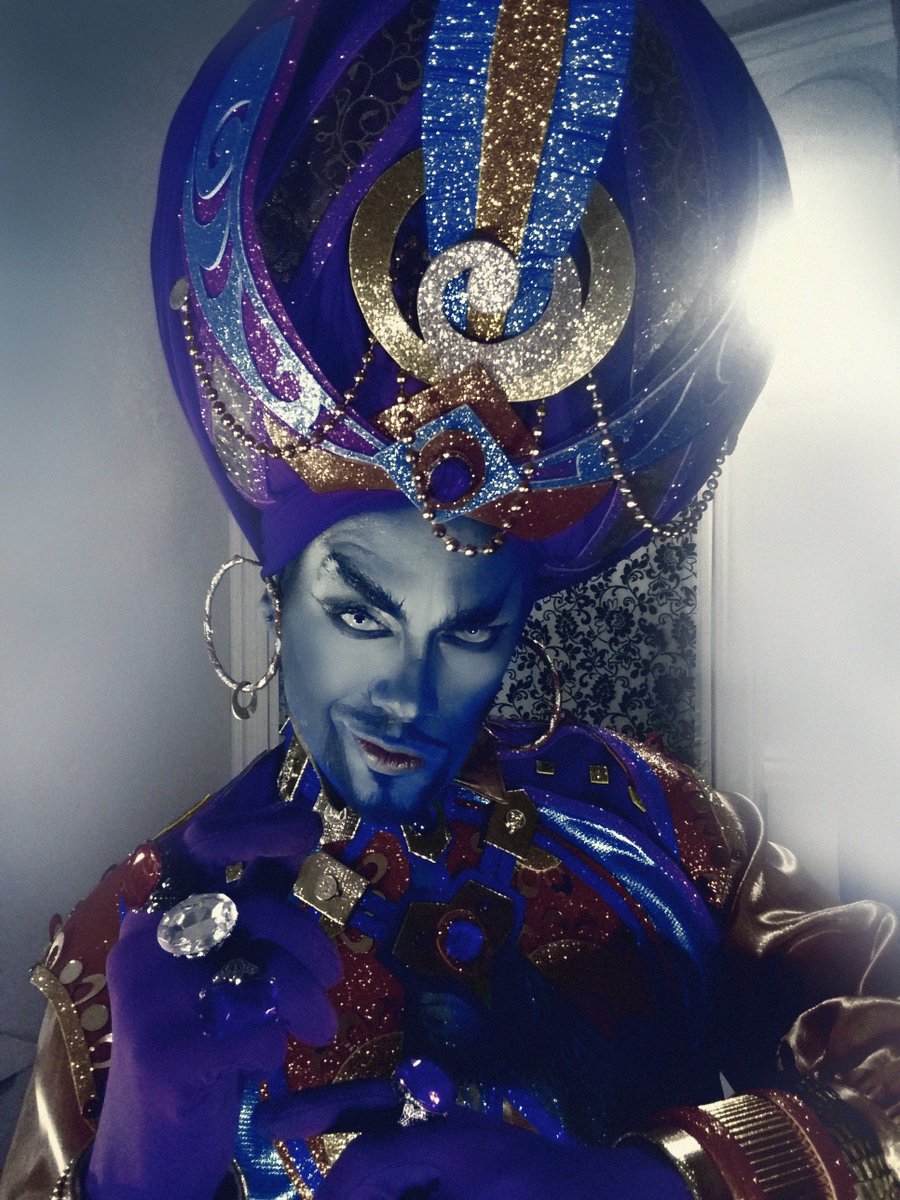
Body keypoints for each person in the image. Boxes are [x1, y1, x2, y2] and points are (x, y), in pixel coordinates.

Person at [2, 0, 898, 1197]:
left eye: (473, 629)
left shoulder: (666, 829)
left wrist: (656, 1181)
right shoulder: (129, 945)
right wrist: (134, 1168)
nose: (412, 693)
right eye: (361, 612)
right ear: (272, 595)